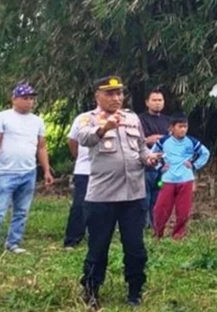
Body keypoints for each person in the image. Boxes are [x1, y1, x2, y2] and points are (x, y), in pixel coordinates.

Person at [77, 76, 162, 309]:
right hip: (102, 198)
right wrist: (105, 127)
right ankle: (91, 291)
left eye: (120, 93)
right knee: (98, 248)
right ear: (98, 96)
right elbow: (84, 139)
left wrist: (149, 158)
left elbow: (142, 147)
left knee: (136, 248)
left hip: (134, 196)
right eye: (110, 93)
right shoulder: (88, 118)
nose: (116, 98)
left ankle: (135, 291)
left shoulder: (132, 118)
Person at [0, 83, 54, 258]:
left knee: (21, 211)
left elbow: (42, 147)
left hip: (28, 171)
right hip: (6, 171)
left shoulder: (37, 121)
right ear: (14, 99)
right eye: (25, 98)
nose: (29, 102)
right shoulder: (3, 117)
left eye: (31, 99)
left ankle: (13, 243)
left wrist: (46, 170)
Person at [151, 114, 210, 240]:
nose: (183, 129)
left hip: (186, 179)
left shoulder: (191, 142)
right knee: (160, 209)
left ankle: (178, 235)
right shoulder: (163, 141)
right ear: (172, 128)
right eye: (180, 126)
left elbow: (205, 153)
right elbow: (152, 155)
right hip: (167, 179)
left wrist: (194, 165)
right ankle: (158, 234)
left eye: (185, 126)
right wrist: (159, 166)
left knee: (183, 210)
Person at [138, 88, 171, 229]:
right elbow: (136, 141)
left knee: (159, 195)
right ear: (147, 102)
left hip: (163, 167)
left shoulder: (168, 121)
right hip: (146, 166)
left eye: (160, 100)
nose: (157, 103)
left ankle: (157, 223)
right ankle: (144, 224)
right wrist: (148, 139)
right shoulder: (139, 120)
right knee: (145, 196)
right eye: (154, 100)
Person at [62, 113, 91, 249]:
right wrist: (79, 157)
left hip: (107, 172)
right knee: (79, 205)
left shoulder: (118, 118)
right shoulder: (83, 118)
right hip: (84, 169)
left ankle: (96, 236)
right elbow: (72, 141)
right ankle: (72, 239)